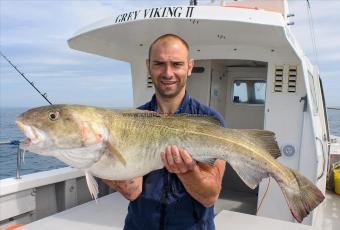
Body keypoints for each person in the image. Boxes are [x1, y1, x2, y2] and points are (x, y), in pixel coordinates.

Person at [104, 34, 226, 230]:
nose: (168, 73)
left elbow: (209, 197)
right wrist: (97, 159)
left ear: (190, 67)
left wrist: (188, 171)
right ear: (148, 66)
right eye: (159, 63)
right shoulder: (132, 121)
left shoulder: (210, 121)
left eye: (176, 64)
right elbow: (132, 191)